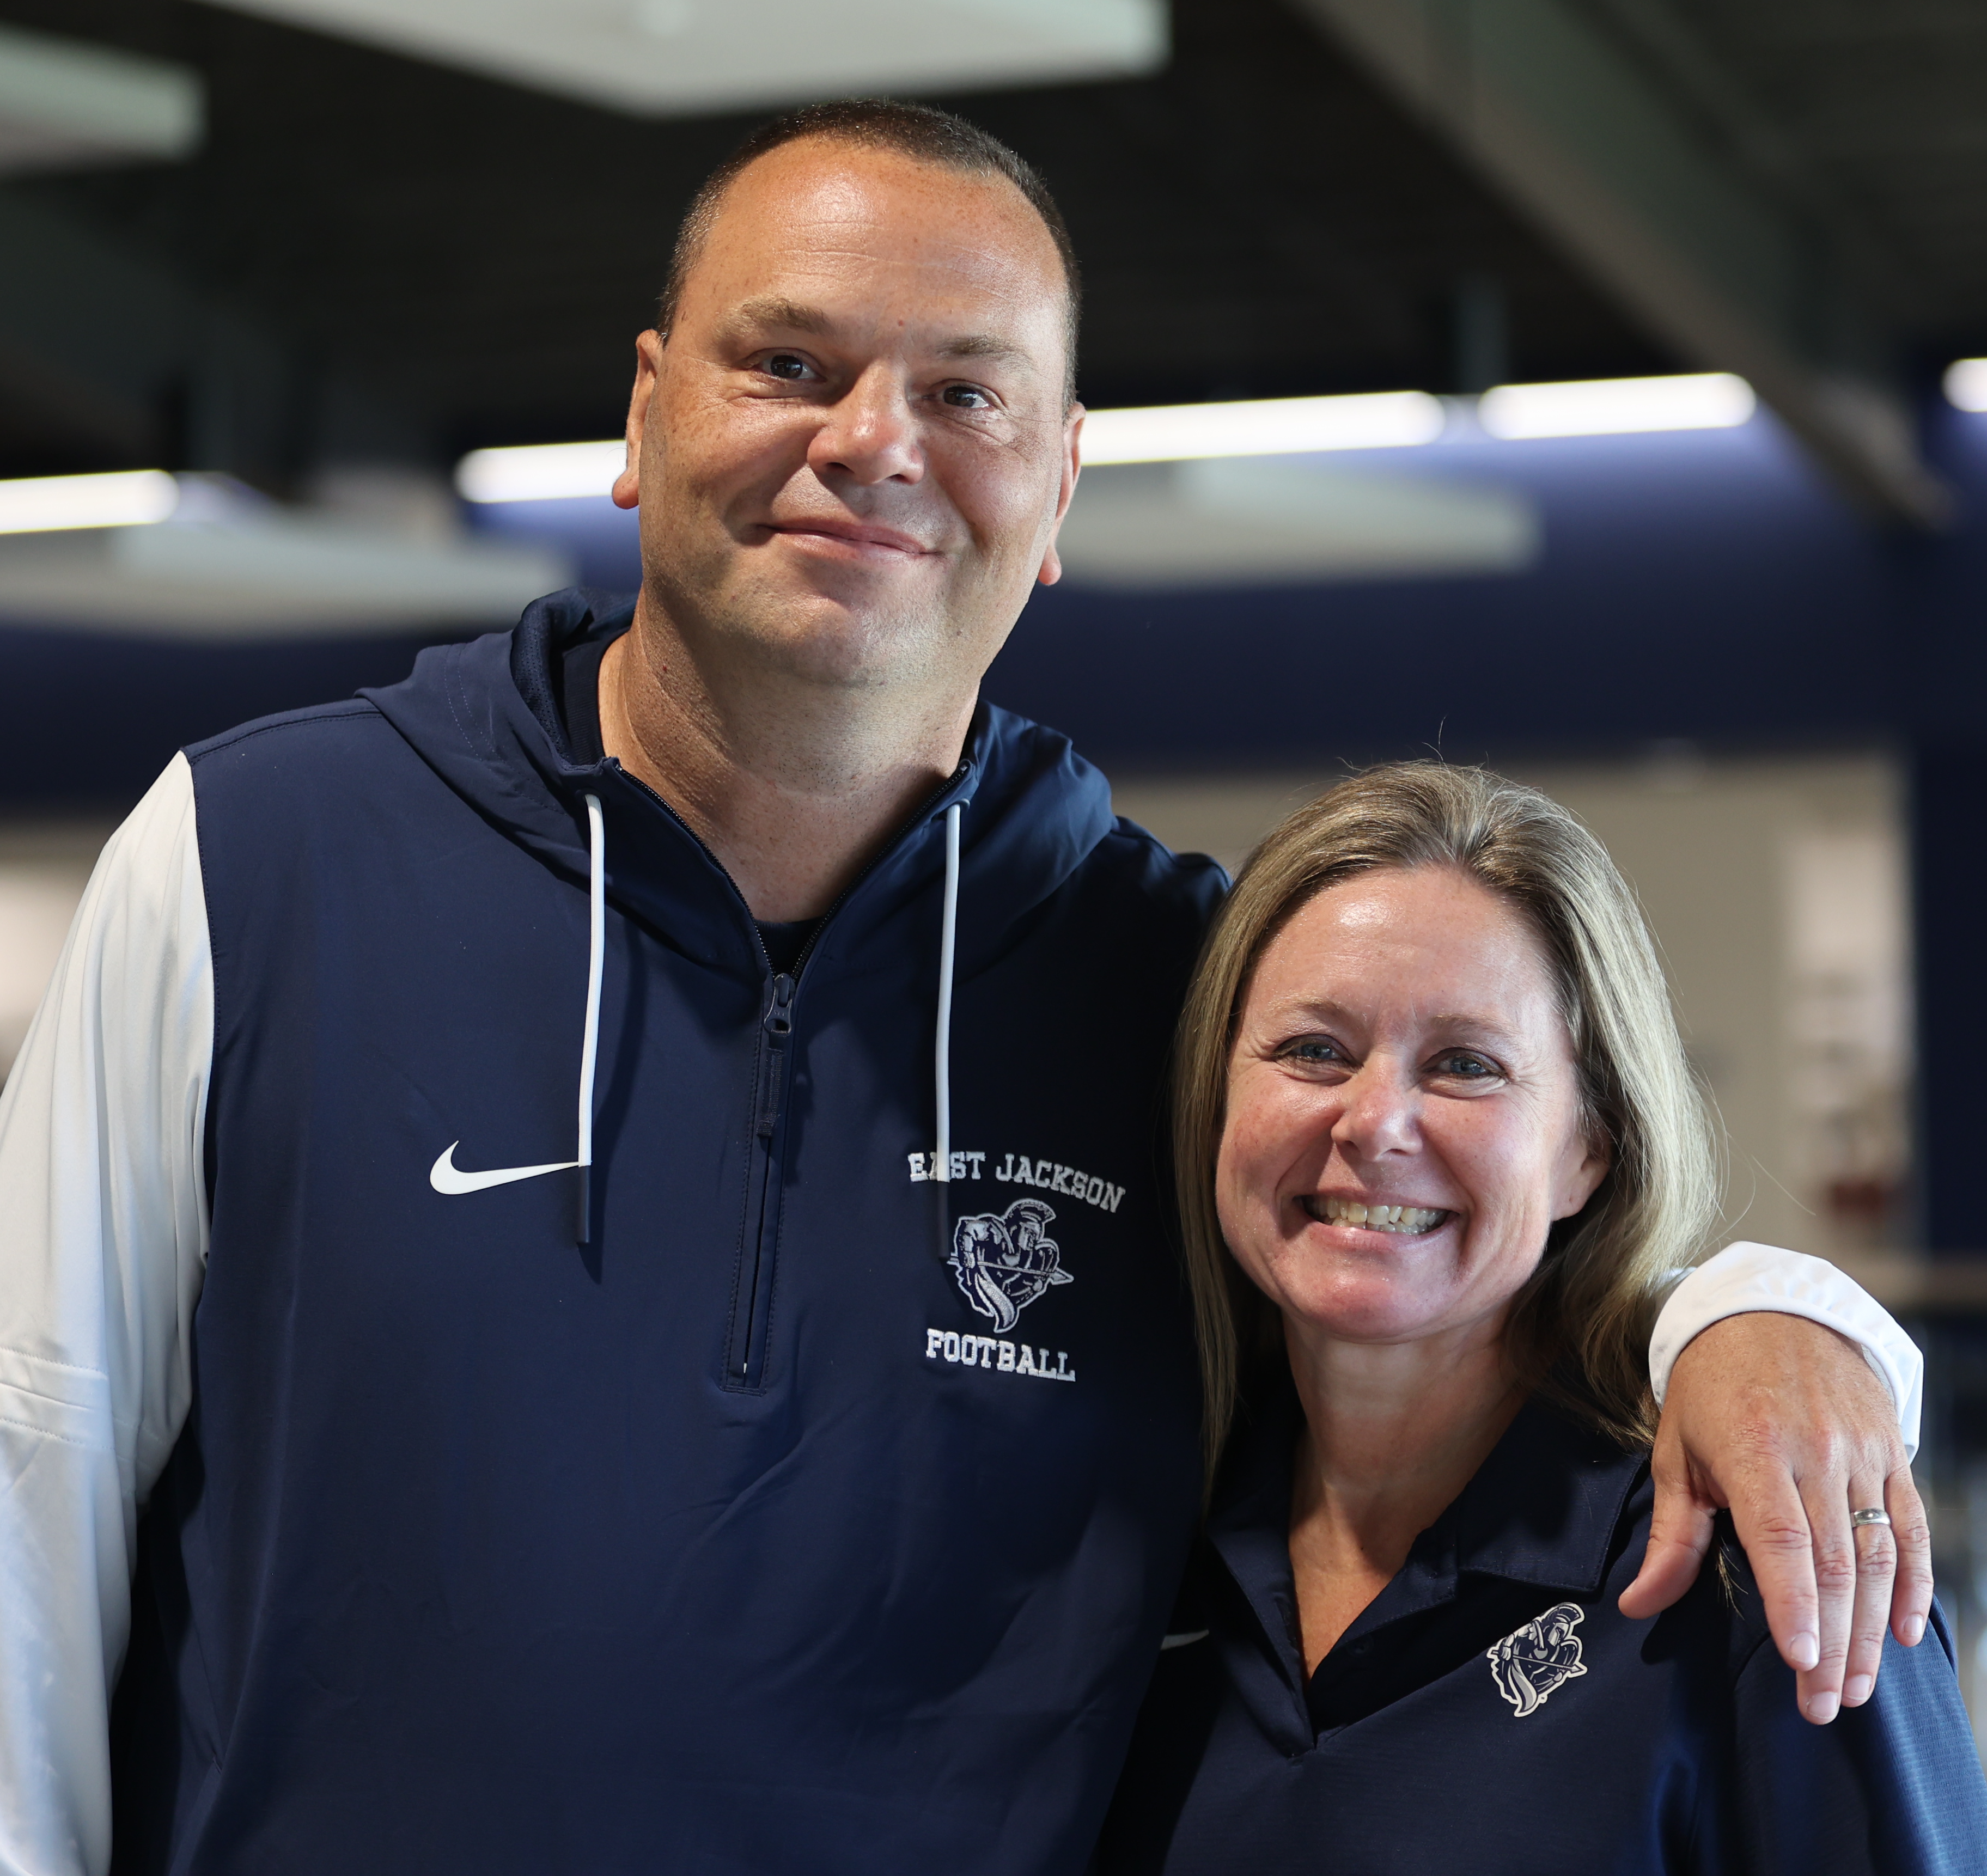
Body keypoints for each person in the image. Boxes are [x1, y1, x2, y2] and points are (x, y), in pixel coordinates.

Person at [0, 102, 1930, 1875]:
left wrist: (1766, 1315)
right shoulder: (253, 866)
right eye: (788, 361)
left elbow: (1421, 1241)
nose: (870, 442)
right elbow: (27, 1486)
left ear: (1061, 476)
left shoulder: (1168, 987)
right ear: (646, 408)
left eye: (965, 390)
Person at [1097, 765, 1986, 1874]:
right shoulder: (1127, 1559)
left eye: (1467, 1065)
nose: (1375, 1121)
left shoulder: (1763, 1552)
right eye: (1312, 1049)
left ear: (1589, 1151)